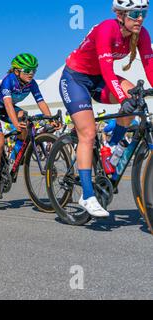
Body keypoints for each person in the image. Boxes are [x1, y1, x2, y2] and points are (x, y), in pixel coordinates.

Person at [59, 0, 153, 218]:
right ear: (120, 14)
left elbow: (149, 67)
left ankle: (112, 146)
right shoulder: (106, 29)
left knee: (135, 97)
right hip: (75, 79)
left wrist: (127, 98)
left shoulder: (142, 34)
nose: (140, 18)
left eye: (144, 13)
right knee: (88, 133)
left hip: (98, 79)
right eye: (135, 13)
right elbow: (108, 71)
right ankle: (87, 195)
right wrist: (122, 98)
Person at [0, 53, 58, 199]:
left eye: (34, 70)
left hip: (6, 108)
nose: (31, 73)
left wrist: (50, 118)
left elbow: (40, 102)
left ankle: (14, 156)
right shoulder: (8, 81)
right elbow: (8, 104)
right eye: (27, 70)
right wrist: (15, 124)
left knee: (26, 119)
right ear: (17, 71)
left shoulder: (32, 83)